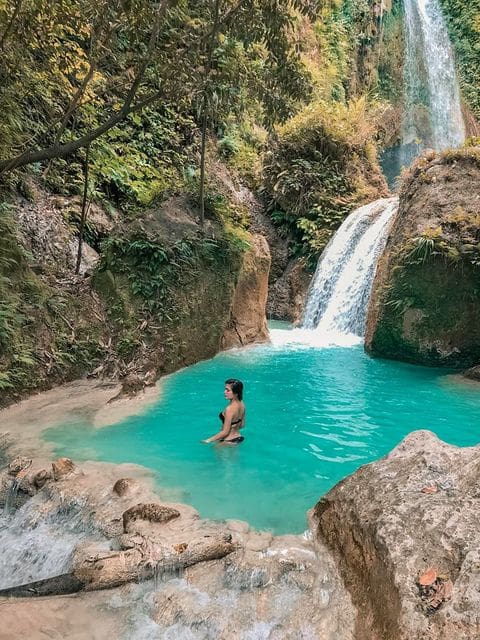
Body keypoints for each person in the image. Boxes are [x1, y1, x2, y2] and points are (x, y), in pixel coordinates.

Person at [201, 378, 246, 444]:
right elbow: (242, 425)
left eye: (227, 390)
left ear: (236, 393)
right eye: (225, 389)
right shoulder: (242, 403)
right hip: (238, 438)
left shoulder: (229, 409)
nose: (224, 392)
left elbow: (225, 432)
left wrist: (208, 440)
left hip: (227, 441)